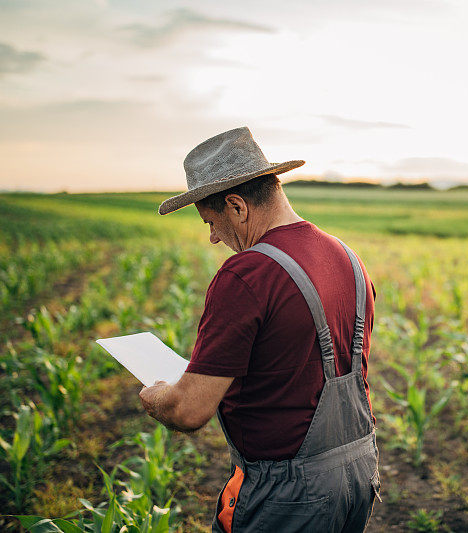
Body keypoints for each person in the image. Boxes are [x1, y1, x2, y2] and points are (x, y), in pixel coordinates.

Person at [139, 127, 381, 532]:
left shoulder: (247, 273)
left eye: (210, 222)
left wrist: (157, 395)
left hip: (288, 494)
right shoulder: (346, 256)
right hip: (358, 472)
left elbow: (189, 410)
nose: (214, 238)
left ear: (236, 206)